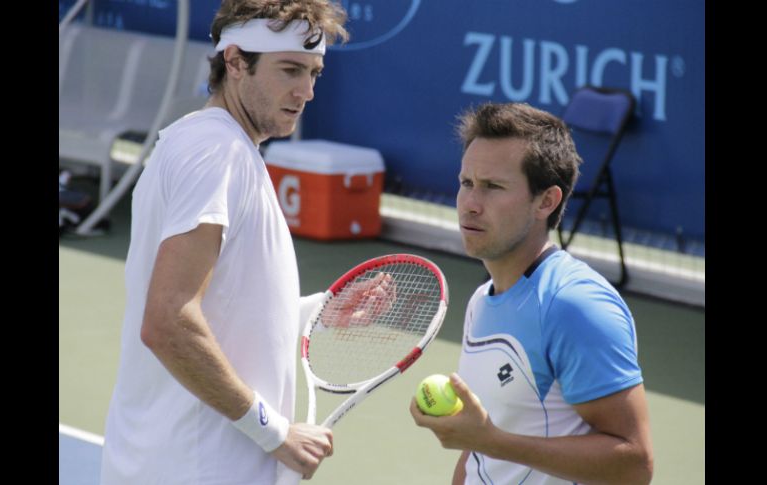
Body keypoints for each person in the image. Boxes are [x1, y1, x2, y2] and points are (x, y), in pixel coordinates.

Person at [99, 1, 350, 484]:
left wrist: (320, 311)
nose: (307, 91)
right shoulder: (216, 153)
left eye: (314, 73)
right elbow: (169, 320)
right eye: (291, 70)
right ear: (235, 62)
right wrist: (276, 434)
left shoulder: (218, 147)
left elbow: (229, 309)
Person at [410, 102, 654, 485]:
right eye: (466, 183)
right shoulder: (481, 300)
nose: (470, 205)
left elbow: (634, 464)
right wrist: (482, 440)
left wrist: (492, 441)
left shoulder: (575, 305)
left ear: (546, 201)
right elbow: (478, 455)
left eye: (493, 187)